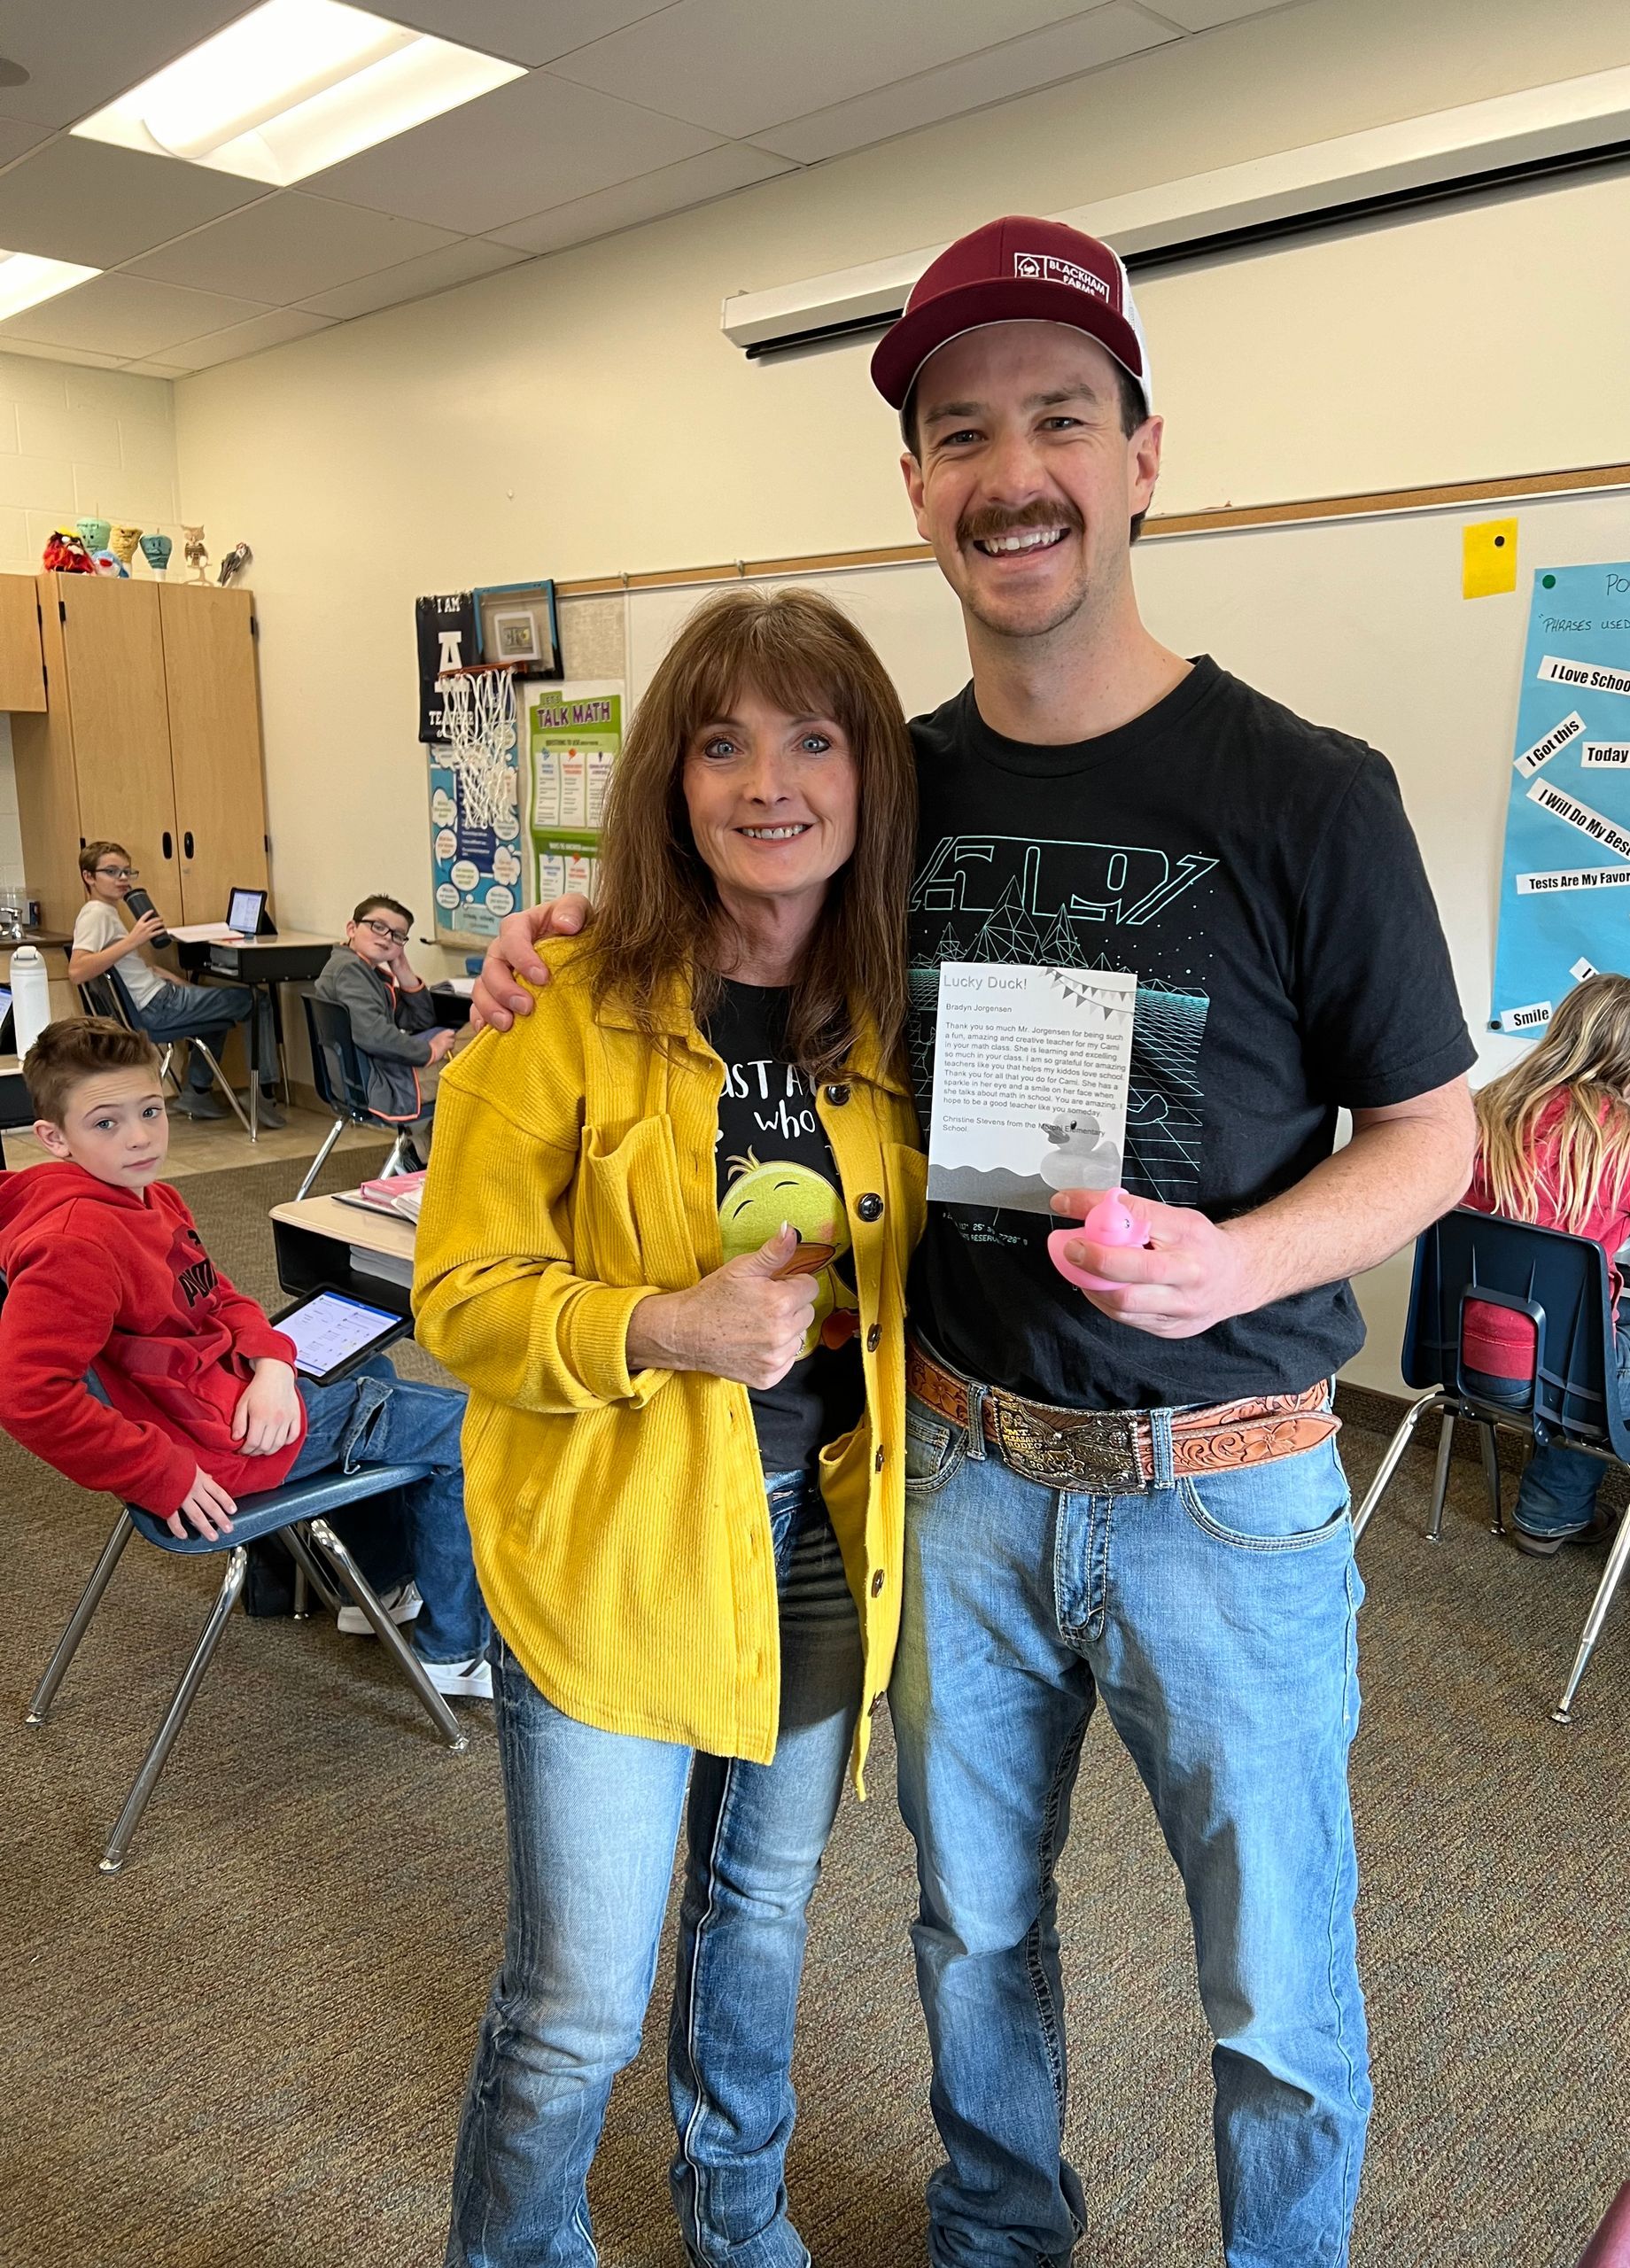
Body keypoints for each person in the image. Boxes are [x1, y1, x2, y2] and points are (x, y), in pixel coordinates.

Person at [471, 215, 1478, 2268]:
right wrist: (557, 928)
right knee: (971, 1937)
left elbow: (1433, 1137)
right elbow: (731, 906)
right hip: (947, 1474)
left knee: (1277, 1996)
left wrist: (1234, 1259)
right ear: (917, 487)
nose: (1008, 468)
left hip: (1231, 1488)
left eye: (1056, 420)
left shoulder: (1307, 788)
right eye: (958, 432)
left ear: (1139, 457)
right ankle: (997, 2240)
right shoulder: (886, 795)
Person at [411, 586, 922, 2267]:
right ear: (670, 780)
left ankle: (736, 2212)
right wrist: (660, 1324)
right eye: (720, 743)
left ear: (867, 777)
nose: (766, 781)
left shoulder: (896, 1022)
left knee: (761, 1917)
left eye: (811, 739)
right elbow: (461, 1296)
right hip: (618, 1543)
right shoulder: (557, 1001)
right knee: (577, 1995)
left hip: (828, 1550)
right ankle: (520, 2247)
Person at [0, 1016, 491, 1699]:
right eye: (105, 1124)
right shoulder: (75, 1243)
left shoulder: (150, 1196)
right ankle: (454, 1650)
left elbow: (216, 1294)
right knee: (473, 1429)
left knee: (369, 1369)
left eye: (149, 1111)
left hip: (223, 1395)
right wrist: (157, 1471)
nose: (140, 1136)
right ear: (54, 1137)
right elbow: (30, 1398)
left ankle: (375, 1583)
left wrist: (272, 1365)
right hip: (209, 1443)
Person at [1462, 973, 1630, 1609]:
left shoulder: (1485, 1110)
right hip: (1556, 1368)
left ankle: (1551, 1511)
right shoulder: (1629, 1142)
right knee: (1622, 1347)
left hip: (1464, 1355)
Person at [68, 839, 283, 1129]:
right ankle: (266, 1094)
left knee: (216, 1017)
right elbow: (78, 970)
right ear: (89, 876)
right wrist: (135, 939)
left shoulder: (105, 911)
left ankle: (197, 1093)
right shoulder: (96, 914)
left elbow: (121, 966)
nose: (122, 879)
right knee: (258, 1000)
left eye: (127, 872)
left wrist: (158, 972)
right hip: (158, 1007)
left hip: (157, 998)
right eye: (112, 872)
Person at [314, 893, 455, 1149]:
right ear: (352, 928)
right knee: (477, 1052)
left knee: (450, 1038)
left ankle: (419, 1151)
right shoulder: (351, 972)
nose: (387, 937)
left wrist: (401, 968)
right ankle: (424, 1152)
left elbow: (421, 1020)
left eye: (397, 935)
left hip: (361, 1079)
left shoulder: (362, 971)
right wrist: (429, 1051)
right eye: (378, 926)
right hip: (375, 1086)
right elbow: (374, 1035)